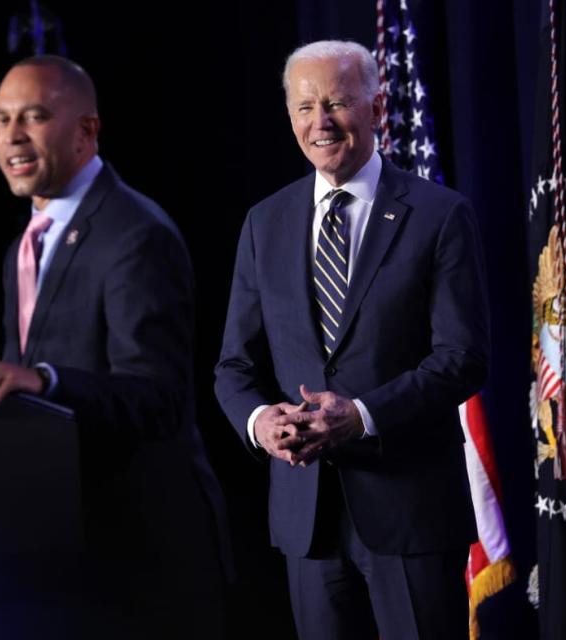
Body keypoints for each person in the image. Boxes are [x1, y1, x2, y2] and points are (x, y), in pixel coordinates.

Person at [214, 40, 489, 639]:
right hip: (304, 517)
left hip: (410, 513)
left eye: (337, 102)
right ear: (289, 117)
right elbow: (234, 365)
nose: (321, 122)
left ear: (376, 105)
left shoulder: (439, 214)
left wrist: (362, 415)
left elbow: (463, 358)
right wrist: (261, 422)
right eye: (305, 107)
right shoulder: (266, 221)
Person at [0, 55, 229, 637]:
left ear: (87, 130)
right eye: (1, 120)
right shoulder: (23, 247)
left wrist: (46, 381)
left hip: (146, 559)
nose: (12, 137)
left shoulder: (136, 234)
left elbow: (159, 399)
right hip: (64, 553)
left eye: (34, 117)